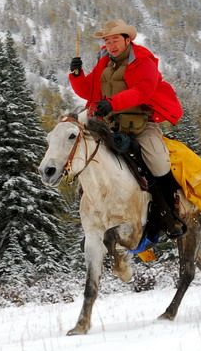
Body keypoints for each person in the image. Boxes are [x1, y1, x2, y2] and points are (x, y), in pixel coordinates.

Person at [68, 19, 186, 239]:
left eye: (115, 40)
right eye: (107, 41)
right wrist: (76, 76)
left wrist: (112, 103)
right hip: (110, 124)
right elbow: (89, 91)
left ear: (127, 39)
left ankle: (172, 213)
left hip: (140, 123)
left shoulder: (143, 60)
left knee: (158, 162)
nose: (111, 45)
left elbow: (144, 91)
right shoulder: (104, 60)